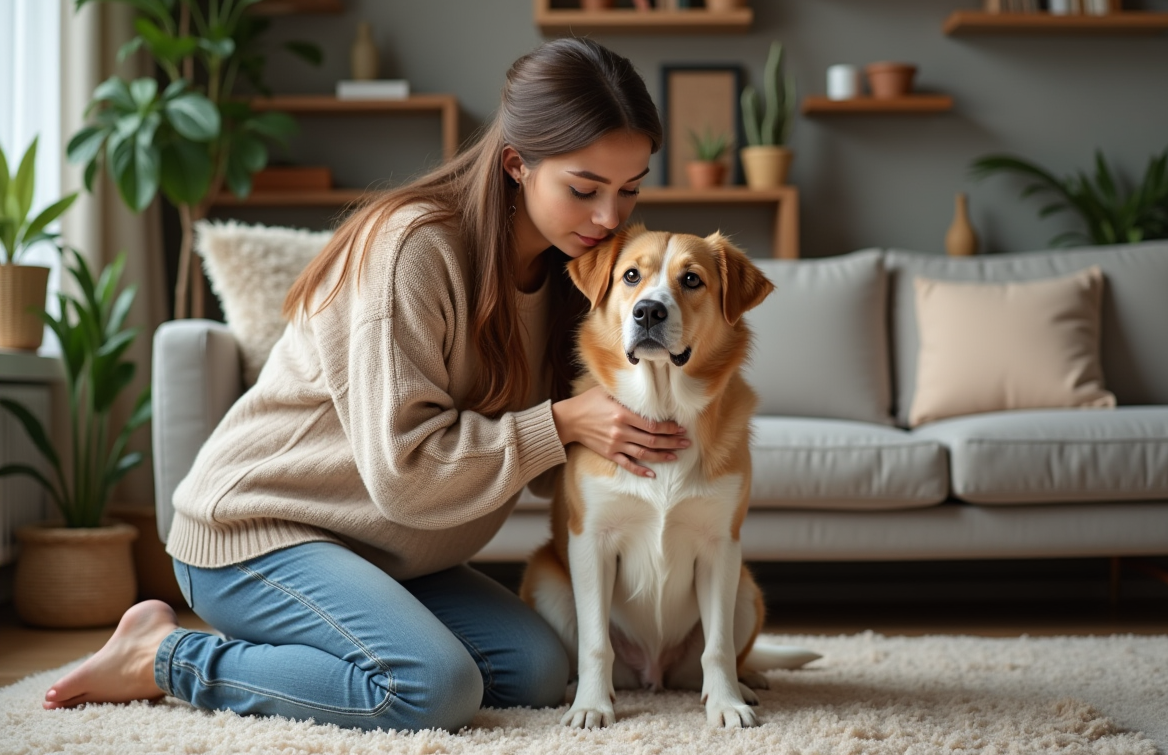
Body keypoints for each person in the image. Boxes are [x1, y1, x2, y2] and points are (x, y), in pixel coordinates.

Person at [42, 38, 692, 732]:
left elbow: (542, 476)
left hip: (390, 554)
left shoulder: (576, 273)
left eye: (630, 190)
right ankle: (162, 655)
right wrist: (561, 422)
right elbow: (403, 474)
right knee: (430, 688)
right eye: (584, 189)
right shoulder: (413, 247)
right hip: (261, 531)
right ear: (516, 164)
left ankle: (326, 633)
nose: (609, 218)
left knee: (536, 669)